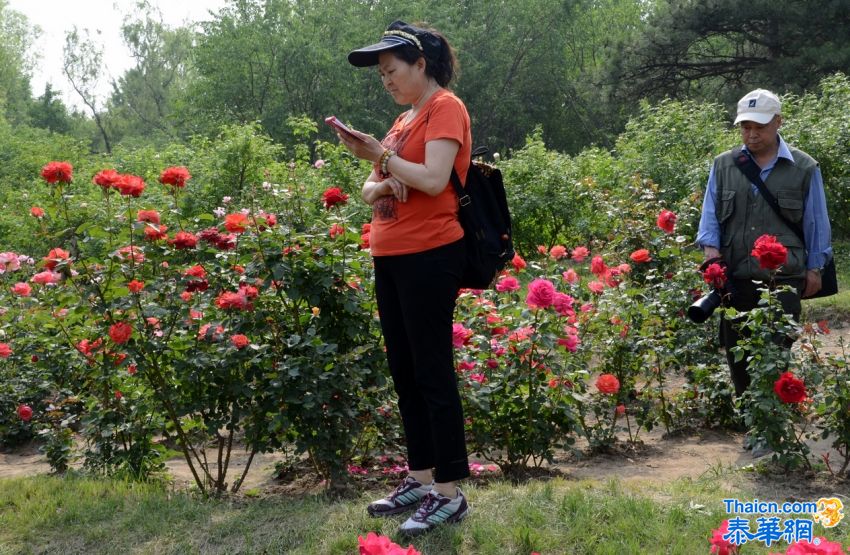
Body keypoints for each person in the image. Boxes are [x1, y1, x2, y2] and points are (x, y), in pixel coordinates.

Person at [336, 20, 471, 535]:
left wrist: (383, 161)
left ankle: (449, 492)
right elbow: (369, 192)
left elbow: (434, 179)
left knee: (433, 371)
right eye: (381, 75)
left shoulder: (445, 108)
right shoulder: (402, 120)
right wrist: (388, 175)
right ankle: (419, 476)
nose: (386, 80)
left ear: (421, 65)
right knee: (406, 372)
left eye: (392, 70)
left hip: (430, 254)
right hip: (390, 255)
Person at [696, 89, 833, 451]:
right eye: (744, 127)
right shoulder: (725, 164)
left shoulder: (804, 167)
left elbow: (817, 221)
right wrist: (711, 255)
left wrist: (815, 268)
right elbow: (710, 215)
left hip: (784, 277)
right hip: (735, 274)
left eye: (758, 127)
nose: (751, 135)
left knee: (776, 349)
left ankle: (772, 426)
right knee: (737, 350)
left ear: (778, 123)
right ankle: (752, 425)